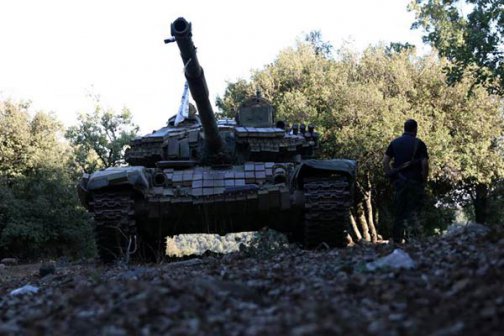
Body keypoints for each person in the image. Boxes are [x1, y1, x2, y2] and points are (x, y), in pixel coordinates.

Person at [383, 119, 429, 243]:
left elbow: (385, 161)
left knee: (399, 212)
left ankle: (397, 240)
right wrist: (423, 180)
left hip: (400, 182)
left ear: (404, 128)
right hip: (415, 183)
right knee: (414, 212)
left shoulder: (395, 143)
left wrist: (390, 175)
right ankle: (413, 240)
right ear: (415, 129)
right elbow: (424, 164)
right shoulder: (419, 144)